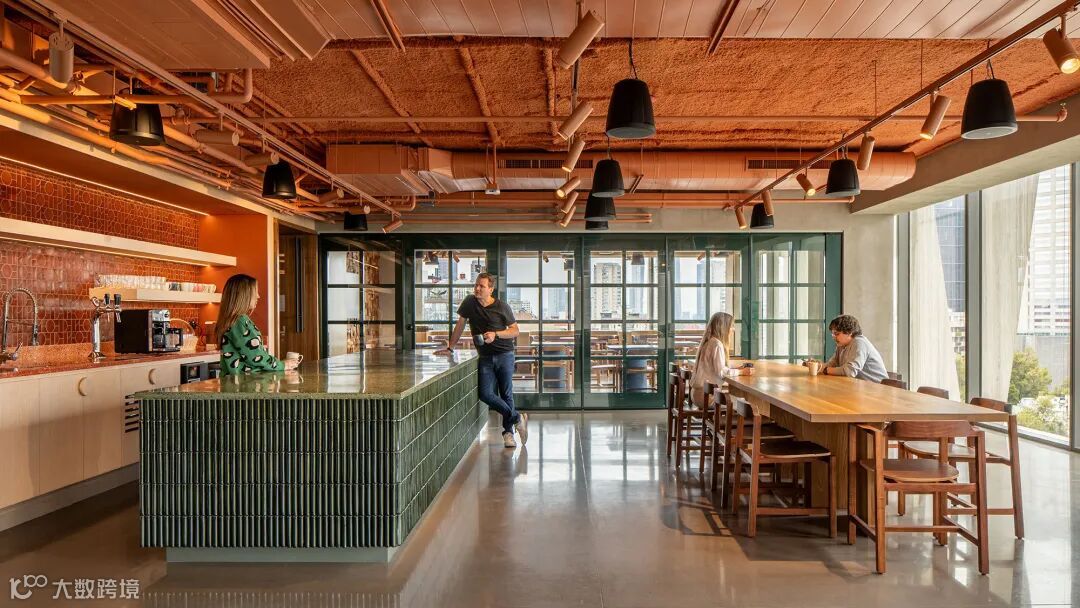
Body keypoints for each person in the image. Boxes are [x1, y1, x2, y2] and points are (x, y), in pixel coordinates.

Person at [434, 273, 527, 449]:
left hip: (505, 355)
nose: (477, 288)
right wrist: (450, 347)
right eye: (476, 285)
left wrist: (496, 334)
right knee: (485, 394)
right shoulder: (469, 302)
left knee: (506, 394)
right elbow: (460, 324)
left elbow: (515, 331)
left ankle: (508, 434)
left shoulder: (502, 307)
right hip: (485, 357)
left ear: (490, 289)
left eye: (481, 286)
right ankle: (517, 418)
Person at [215, 273, 299, 375]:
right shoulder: (239, 321)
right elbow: (255, 356)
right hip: (243, 385)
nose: (258, 296)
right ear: (243, 295)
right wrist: (282, 365)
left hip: (237, 383)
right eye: (255, 292)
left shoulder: (235, 320)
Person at [689, 312, 753, 407]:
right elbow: (721, 373)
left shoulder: (710, 341)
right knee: (747, 404)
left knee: (741, 402)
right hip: (707, 398)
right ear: (724, 328)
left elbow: (717, 367)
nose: (733, 330)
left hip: (698, 394)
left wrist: (737, 369)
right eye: (731, 326)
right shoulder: (717, 344)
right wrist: (741, 372)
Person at [820, 314, 888, 382]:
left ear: (849, 332)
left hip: (878, 388)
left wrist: (825, 370)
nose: (833, 337)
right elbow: (833, 364)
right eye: (833, 334)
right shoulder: (842, 345)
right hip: (860, 387)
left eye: (837, 334)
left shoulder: (859, 343)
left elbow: (850, 371)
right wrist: (818, 366)